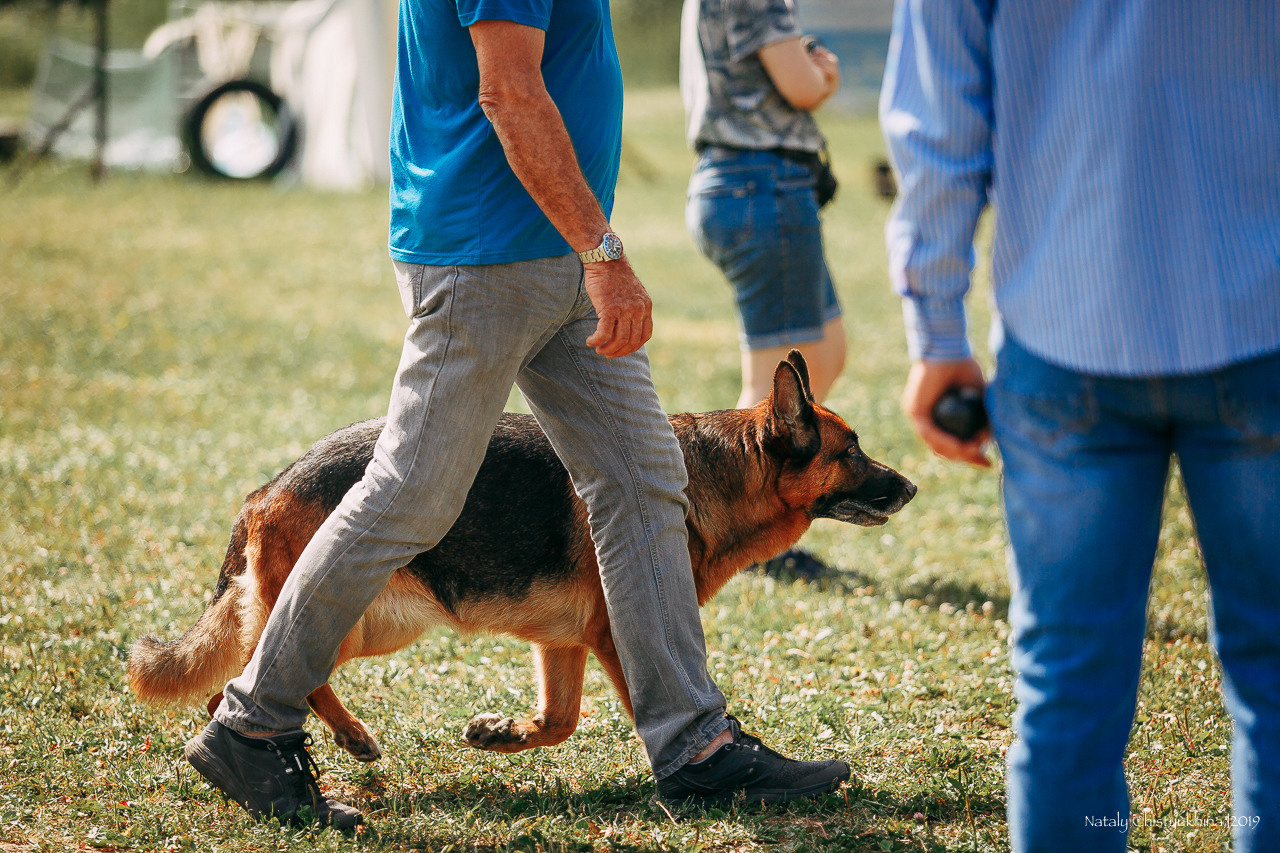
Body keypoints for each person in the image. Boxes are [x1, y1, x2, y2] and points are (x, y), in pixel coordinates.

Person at [178, 0, 851, 828]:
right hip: (487, 257)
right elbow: (509, 91)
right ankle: (253, 722)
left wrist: (586, 248)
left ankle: (695, 747)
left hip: (555, 250)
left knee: (645, 481)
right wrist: (602, 251)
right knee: (409, 496)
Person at [879, 3, 1280, 851]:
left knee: (1068, 681)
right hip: (1260, 318)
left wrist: (936, 333)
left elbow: (938, 122)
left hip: (1065, 327)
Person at [680, 0, 844, 578]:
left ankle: (757, 516)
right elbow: (800, 86)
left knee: (823, 349)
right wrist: (824, 74)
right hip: (760, 182)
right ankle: (752, 534)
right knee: (777, 372)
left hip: (749, 181)